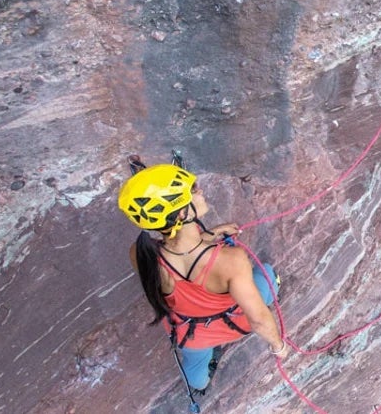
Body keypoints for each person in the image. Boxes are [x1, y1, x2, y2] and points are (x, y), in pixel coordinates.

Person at [118, 163, 288, 397]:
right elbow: (258, 319)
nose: (200, 192)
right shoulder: (231, 260)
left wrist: (210, 235)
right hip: (235, 324)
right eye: (193, 191)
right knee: (267, 274)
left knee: (196, 378)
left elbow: (180, 254)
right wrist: (279, 347)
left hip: (190, 334)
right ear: (182, 214)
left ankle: (200, 380)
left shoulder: (140, 253)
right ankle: (272, 286)